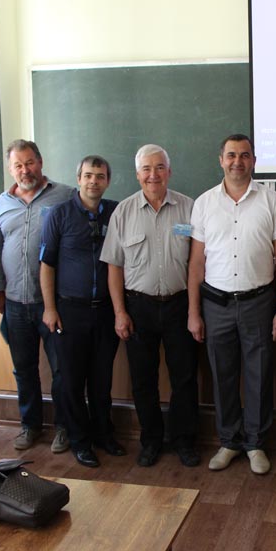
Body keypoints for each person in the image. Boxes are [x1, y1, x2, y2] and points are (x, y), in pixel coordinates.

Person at [187, 133, 276, 475]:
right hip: (215, 304)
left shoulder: (272, 200)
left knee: (259, 374)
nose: (237, 161)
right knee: (223, 375)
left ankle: (256, 444)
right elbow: (197, 262)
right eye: (231, 155)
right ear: (221, 160)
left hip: (258, 302)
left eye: (244, 155)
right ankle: (229, 441)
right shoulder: (204, 203)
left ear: (254, 161)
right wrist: (193, 312)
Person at [101, 144, 200, 468]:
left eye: (159, 168)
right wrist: (120, 312)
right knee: (143, 381)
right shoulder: (123, 212)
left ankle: (184, 440)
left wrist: (194, 311)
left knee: (184, 378)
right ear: (137, 174)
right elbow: (114, 266)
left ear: (169, 172)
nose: (153, 175)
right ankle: (151, 441)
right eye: (146, 168)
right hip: (138, 308)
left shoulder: (189, 208)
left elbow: (198, 263)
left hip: (180, 305)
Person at [39, 155, 125, 468]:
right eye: (88, 175)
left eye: (100, 176)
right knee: (72, 381)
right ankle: (79, 440)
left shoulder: (116, 212)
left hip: (105, 310)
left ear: (107, 181)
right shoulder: (59, 214)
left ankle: (104, 434)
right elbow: (47, 265)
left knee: (102, 379)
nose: (93, 181)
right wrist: (50, 308)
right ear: (78, 179)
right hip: (69, 310)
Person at [0, 139, 72, 452]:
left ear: (40, 162)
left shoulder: (65, 195)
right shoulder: (1, 203)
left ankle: (64, 427)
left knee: (61, 370)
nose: (25, 170)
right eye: (18, 165)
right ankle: (30, 425)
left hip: (53, 303)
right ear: (10, 169)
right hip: (14, 303)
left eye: (30, 163)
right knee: (24, 369)